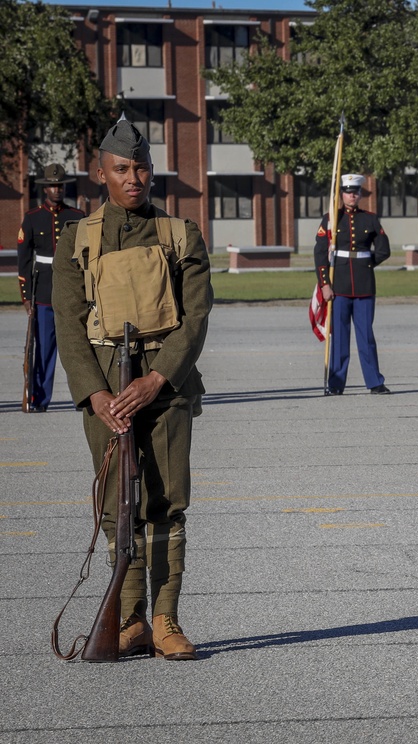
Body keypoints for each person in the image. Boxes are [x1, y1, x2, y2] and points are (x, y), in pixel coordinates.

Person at [52, 117, 213, 660]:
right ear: (102, 173)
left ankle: (165, 619)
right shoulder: (76, 238)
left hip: (163, 390)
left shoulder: (180, 233)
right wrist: (95, 395)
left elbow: (195, 318)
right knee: (118, 510)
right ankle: (129, 619)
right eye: (122, 168)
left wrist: (156, 378)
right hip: (106, 395)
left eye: (141, 166)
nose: (134, 176)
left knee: (166, 506)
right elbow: (68, 324)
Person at [314, 173, 392, 395]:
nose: (352, 195)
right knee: (338, 336)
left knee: (366, 335)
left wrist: (366, 264)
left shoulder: (370, 219)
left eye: (355, 192)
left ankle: (375, 381)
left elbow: (384, 250)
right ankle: (336, 383)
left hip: (364, 285)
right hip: (338, 286)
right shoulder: (331, 219)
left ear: (359, 195)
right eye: (348, 192)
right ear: (341, 194)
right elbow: (320, 254)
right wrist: (324, 284)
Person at [17, 164, 85, 412]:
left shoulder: (77, 217)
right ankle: (39, 399)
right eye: (52, 186)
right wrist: (26, 298)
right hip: (43, 293)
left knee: (78, 349)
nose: (57, 189)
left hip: (73, 293)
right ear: (45, 189)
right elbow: (23, 261)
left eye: (60, 185)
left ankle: (85, 397)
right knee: (44, 350)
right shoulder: (33, 218)